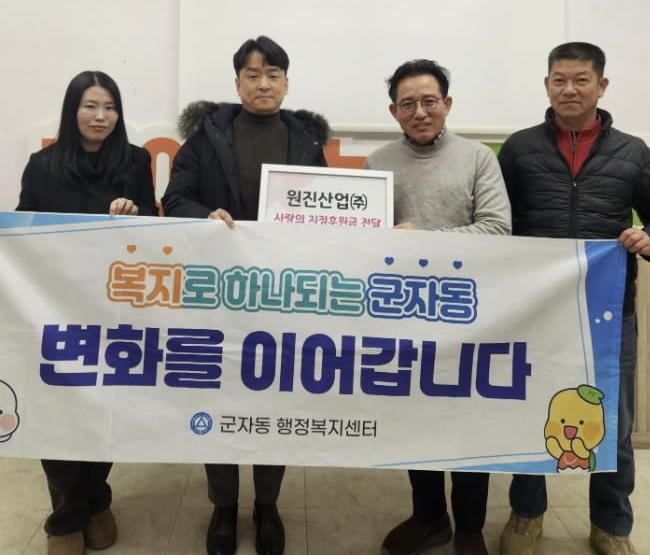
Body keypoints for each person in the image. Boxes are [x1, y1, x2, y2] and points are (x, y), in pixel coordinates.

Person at [162, 35, 329, 555]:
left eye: (273, 74)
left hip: (284, 295)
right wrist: (204, 215)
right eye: (252, 75)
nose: (263, 83)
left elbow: (328, 213)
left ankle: (267, 505)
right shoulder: (206, 136)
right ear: (237, 83)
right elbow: (175, 198)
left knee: (276, 399)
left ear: (286, 82)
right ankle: (224, 506)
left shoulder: (306, 141)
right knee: (218, 397)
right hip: (220, 295)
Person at [498, 42, 650, 555]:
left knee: (614, 424)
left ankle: (612, 525)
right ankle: (526, 514)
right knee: (531, 411)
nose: (569, 89)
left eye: (581, 79)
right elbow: (498, 224)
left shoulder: (634, 152)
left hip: (609, 312)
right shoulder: (519, 148)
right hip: (535, 310)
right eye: (559, 80)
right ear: (546, 85)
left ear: (601, 86)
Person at [365, 59, 511, 555]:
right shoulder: (377, 164)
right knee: (415, 419)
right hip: (403, 314)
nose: (420, 112)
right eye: (408, 104)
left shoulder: (478, 158)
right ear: (394, 111)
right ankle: (429, 517)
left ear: (447, 104)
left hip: (470, 313)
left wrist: (424, 238)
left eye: (430, 101)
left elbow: (497, 229)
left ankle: (469, 527)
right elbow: (364, 242)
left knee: (469, 419)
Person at [16, 70, 157, 555]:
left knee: (105, 411)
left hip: (115, 309)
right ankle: (66, 518)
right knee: (55, 412)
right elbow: (23, 229)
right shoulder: (42, 165)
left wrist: (135, 215)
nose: (101, 116)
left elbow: (155, 226)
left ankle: (97, 499)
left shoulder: (135, 160)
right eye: (90, 106)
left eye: (110, 107)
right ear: (72, 110)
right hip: (54, 308)